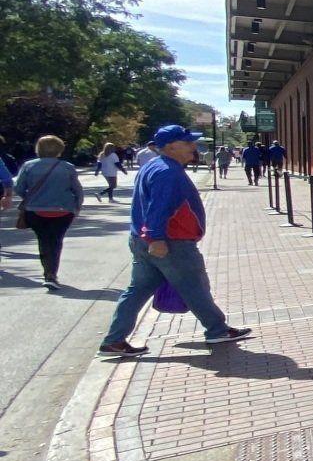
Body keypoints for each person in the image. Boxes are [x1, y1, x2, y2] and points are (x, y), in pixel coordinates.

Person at [98, 125, 253, 358]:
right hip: (170, 242)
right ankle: (217, 329)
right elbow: (158, 208)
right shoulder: (168, 172)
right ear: (172, 146)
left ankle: (114, 340)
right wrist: (156, 238)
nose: (194, 146)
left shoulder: (155, 166)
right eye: (188, 142)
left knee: (137, 290)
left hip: (145, 240)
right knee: (194, 285)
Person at [11, 135, 83, 290]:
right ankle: (52, 274)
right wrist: (77, 207)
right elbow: (77, 190)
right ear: (59, 149)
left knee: (43, 241)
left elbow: (18, 187)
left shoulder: (29, 166)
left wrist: (29, 197)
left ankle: (48, 273)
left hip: (35, 210)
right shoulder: (67, 167)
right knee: (56, 241)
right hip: (63, 210)